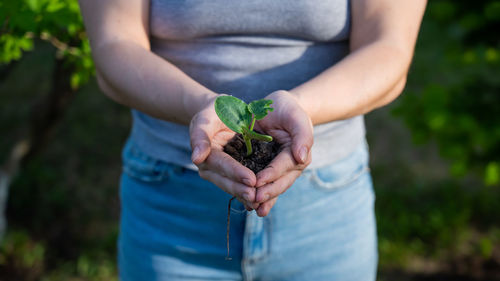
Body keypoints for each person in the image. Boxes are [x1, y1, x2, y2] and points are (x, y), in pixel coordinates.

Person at [79, 0, 426, 280]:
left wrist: (302, 107)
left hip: (325, 205)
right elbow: (114, 45)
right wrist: (198, 106)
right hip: (172, 202)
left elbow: (389, 48)